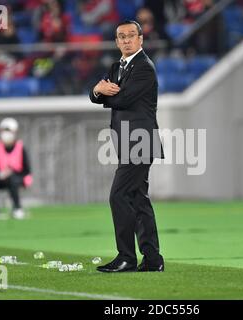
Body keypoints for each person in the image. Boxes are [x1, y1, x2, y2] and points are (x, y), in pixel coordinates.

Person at [89, 20, 165, 272]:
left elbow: (123, 99)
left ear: (141, 39)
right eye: (121, 36)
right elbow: (97, 95)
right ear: (116, 41)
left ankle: (126, 257)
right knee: (138, 199)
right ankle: (153, 259)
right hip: (126, 142)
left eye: (131, 35)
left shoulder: (144, 67)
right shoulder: (116, 66)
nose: (126, 40)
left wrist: (102, 92)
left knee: (118, 195)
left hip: (140, 142)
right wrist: (97, 91)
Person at [0, 118, 32, 220]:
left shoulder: (20, 147)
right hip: (2, 177)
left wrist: (12, 172)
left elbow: (27, 169)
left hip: (19, 177)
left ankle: (17, 208)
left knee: (13, 180)